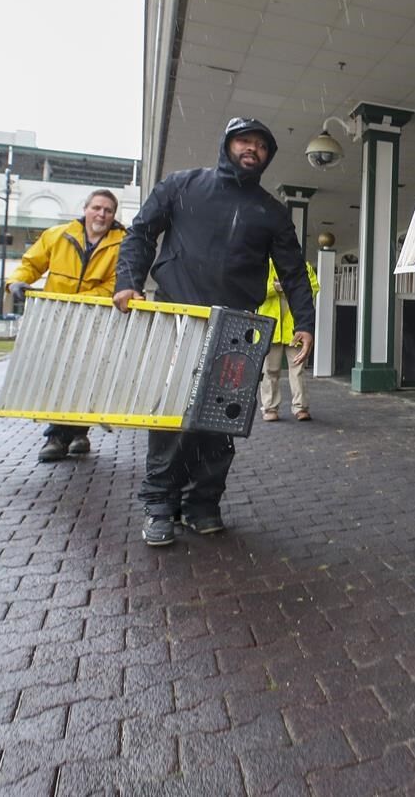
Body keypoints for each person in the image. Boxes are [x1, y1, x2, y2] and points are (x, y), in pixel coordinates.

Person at [113, 117, 315, 548]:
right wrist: (127, 280)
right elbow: (141, 233)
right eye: (245, 140)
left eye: (261, 145)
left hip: (236, 328)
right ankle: (160, 507)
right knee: (170, 419)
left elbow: (294, 272)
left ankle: (202, 504)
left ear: (268, 156)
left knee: (220, 424)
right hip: (178, 319)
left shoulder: (271, 211)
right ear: (227, 144)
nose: (252, 149)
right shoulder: (181, 185)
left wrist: (305, 324)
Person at [6, 190, 125, 462]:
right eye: (97, 208)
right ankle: (66, 434)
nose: (101, 214)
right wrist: (16, 282)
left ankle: (68, 434)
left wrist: (79, 301)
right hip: (57, 318)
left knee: (84, 376)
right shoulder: (57, 235)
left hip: (95, 319)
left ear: (113, 215)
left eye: (108, 210)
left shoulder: (123, 243)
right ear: (85, 209)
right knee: (57, 375)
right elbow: (31, 263)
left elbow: (116, 283)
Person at [258, 260, 319, 422]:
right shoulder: (262, 265)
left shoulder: (302, 266)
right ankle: (270, 408)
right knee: (270, 370)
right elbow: (254, 291)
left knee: (298, 369)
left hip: (295, 328)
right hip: (270, 327)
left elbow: (313, 287)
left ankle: (301, 408)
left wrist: (290, 290)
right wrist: (274, 288)